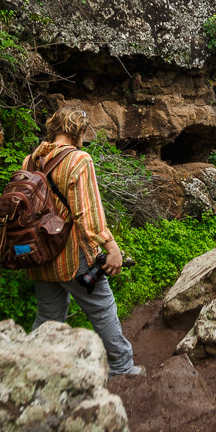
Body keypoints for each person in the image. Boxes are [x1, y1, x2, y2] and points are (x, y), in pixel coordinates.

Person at [22, 107, 143, 377]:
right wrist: (111, 248)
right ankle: (122, 368)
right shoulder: (79, 159)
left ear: (54, 128)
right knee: (103, 309)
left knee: (48, 317)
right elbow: (87, 215)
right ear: (79, 132)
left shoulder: (30, 161)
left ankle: (31, 369)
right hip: (72, 255)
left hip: (38, 254)